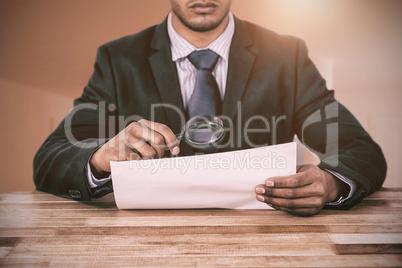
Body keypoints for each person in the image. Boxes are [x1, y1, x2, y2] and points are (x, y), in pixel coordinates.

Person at [33, 0, 387, 216]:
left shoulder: (286, 57)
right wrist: (99, 158)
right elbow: (51, 156)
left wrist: (330, 183)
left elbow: (358, 149)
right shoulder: (118, 59)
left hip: (266, 243)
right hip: (144, 247)